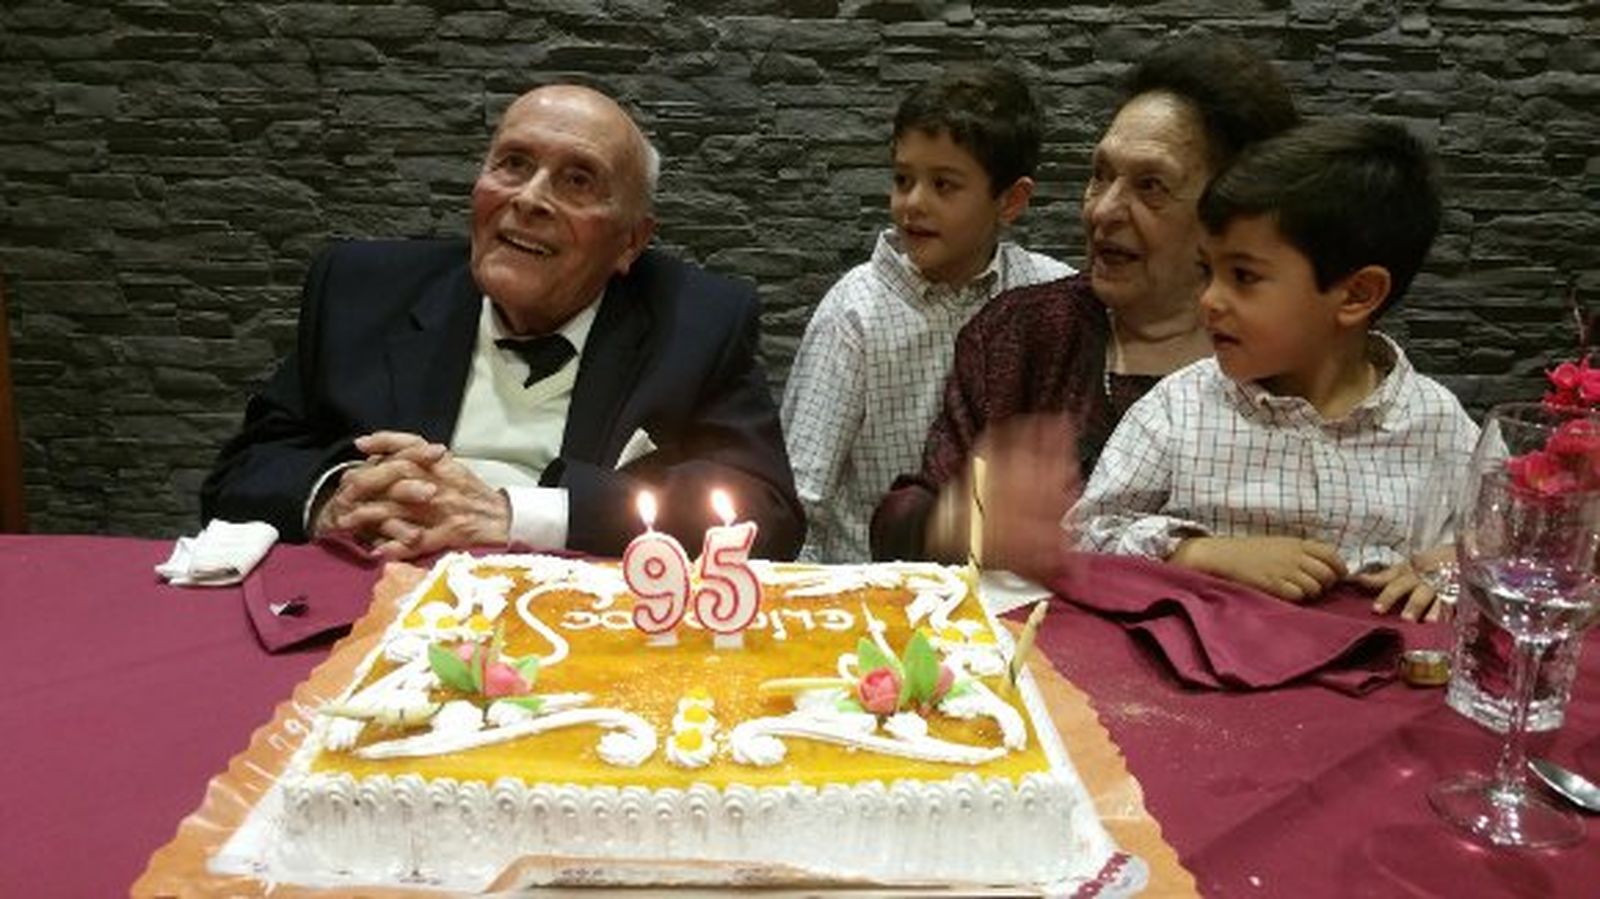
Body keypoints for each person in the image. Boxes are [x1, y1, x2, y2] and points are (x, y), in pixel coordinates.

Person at [201, 84, 804, 560]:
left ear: (630, 242)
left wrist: (523, 516)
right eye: (513, 164)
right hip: (369, 608)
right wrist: (333, 496)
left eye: (577, 180)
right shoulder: (359, 290)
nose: (530, 199)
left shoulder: (697, 321)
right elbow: (242, 473)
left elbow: (763, 513)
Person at [870, 38, 1299, 577]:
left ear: (1235, 210)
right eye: (1100, 175)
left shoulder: (1286, 362)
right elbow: (899, 521)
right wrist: (961, 523)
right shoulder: (1022, 335)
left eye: (1150, 186)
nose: (1104, 210)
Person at [1069, 118, 1479, 622]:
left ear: (1356, 294)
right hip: (1201, 677)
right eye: (1208, 271)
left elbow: (1511, 551)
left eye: (1243, 277)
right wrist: (1202, 554)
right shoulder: (1180, 410)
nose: (1210, 301)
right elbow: (1086, 538)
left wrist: (1445, 569)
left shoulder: (1440, 426)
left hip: (1377, 683)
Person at [782, 64, 1072, 563]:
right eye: (902, 179)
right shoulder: (854, 313)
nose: (912, 203)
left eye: (944, 185)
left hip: (1008, 593)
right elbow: (802, 496)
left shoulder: (1050, 295)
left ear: (1011, 200)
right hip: (873, 593)